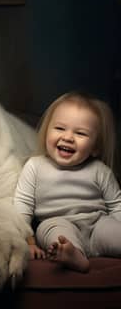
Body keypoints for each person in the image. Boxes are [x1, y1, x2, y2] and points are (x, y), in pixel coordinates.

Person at [14, 91, 121, 273]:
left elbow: (117, 206)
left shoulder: (99, 170)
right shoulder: (35, 166)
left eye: (80, 133)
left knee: (114, 231)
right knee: (52, 231)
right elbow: (22, 206)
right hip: (58, 222)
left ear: (95, 147)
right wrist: (27, 240)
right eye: (60, 128)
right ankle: (72, 254)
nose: (68, 137)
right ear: (47, 131)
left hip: (97, 225)